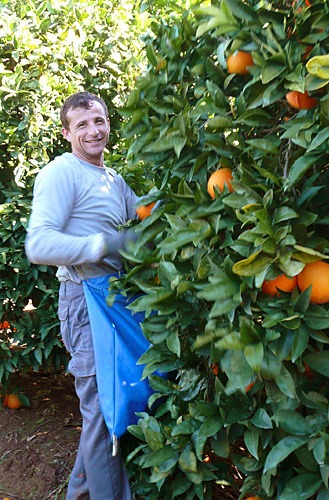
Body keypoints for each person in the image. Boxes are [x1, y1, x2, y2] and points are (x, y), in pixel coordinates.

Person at [25, 91, 138, 499]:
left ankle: (79, 494)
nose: (94, 130)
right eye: (83, 124)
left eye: (100, 121)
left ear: (109, 123)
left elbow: (141, 220)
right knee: (103, 412)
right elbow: (39, 245)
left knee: (111, 406)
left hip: (113, 300)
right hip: (83, 300)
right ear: (67, 132)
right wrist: (101, 245)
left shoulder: (113, 179)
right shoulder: (62, 172)